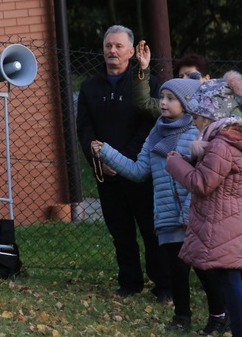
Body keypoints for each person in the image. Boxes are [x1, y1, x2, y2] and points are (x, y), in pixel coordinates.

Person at [91, 77, 228, 333]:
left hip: (193, 215)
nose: (162, 102)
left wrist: (190, 212)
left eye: (170, 98)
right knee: (176, 269)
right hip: (166, 214)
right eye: (162, 97)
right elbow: (139, 170)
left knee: (202, 267)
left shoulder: (196, 133)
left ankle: (219, 315)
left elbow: (201, 176)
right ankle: (182, 316)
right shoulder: (155, 133)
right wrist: (107, 152)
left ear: (186, 103)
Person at [166, 71, 242, 337]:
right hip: (229, 219)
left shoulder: (221, 145)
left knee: (229, 279)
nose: (193, 122)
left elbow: (202, 183)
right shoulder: (223, 140)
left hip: (225, 221)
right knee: (231, 277)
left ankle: (241, 332)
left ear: (208, 115)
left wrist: (175, 163)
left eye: (195, 116)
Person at [76, 25, 172, 301]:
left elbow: (148, 127)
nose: (112, 51)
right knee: (121, 233)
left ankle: (164, 285)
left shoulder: (147, 83)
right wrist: (100, 160)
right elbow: (85, 129)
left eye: (119, 46)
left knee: (151, 232)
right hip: (106, 175)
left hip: (140, 173)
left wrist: (124, 160)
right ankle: (130, 283)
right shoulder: (89, 87)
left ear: (131, 52)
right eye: (108, 46)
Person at [133, 43, 241, 120]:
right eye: (181, 76)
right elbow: (144, 103)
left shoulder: (223, 103)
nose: (184, 79)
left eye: (190, 75)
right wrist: (144, 68)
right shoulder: (174, 103)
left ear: (207, 79)